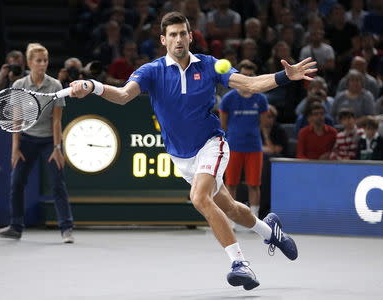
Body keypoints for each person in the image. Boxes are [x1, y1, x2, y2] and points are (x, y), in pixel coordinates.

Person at [69, 12, 316, 290]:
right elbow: (125, 95)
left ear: (190, 36)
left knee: (198, 198)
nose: (178, 39)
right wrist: (93, 86)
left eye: (182, 33)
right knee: (231, 208)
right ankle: (270, 231)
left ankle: (240, 263)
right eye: (172, 35)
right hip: (181, 157)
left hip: (212, 144)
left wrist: (286, 76)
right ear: (163, 40)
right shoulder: (152, 71)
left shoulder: (210, 65)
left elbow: (250, 84)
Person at [0, 43, 74, 244]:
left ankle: (66, 229)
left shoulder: (55, 85)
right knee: (17, 182)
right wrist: (15, 148)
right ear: (30, 63)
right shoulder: (19, 85)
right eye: (38, 61)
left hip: (49, 141)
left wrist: (57, 148)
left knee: (58, 184)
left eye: (45, 60)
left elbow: (56, 120)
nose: (42, 64)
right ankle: (15, 227)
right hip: (27, 140)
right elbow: (17, 119)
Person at [219, 59, 268, 219]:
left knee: (254, 185)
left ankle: (253, 218)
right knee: (231, 184)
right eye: (244, 75)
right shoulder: (228, 99)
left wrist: (266, 140)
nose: (247, 77)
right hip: (233, 147)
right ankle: (230, 218)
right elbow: (223, 124)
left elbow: (263, 124)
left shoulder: (260, 99)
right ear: (239, 76)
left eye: (250, 75)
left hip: (254, 147)